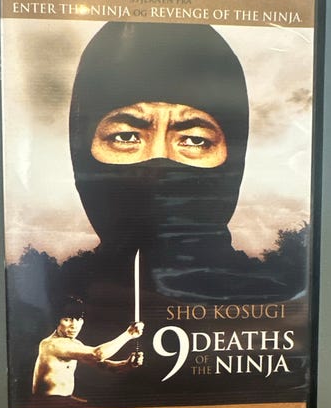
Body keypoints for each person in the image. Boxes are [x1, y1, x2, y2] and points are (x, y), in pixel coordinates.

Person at [68, 22, 299, 302]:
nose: (156, 170)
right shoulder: (52, 303)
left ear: (234, 160)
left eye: (194, 140)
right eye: (126, 136)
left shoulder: (277, 302)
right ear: (80, 152)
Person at [32, 299, 144, 400]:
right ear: (57, 321)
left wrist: (127, 364)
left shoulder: (75, 344)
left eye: (79, 319)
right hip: (48, 404)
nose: (74, 325)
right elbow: (98, 354)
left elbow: (104, 366)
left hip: (65, 400)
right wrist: (128, 334)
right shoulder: (51, 344)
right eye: (67, 320)